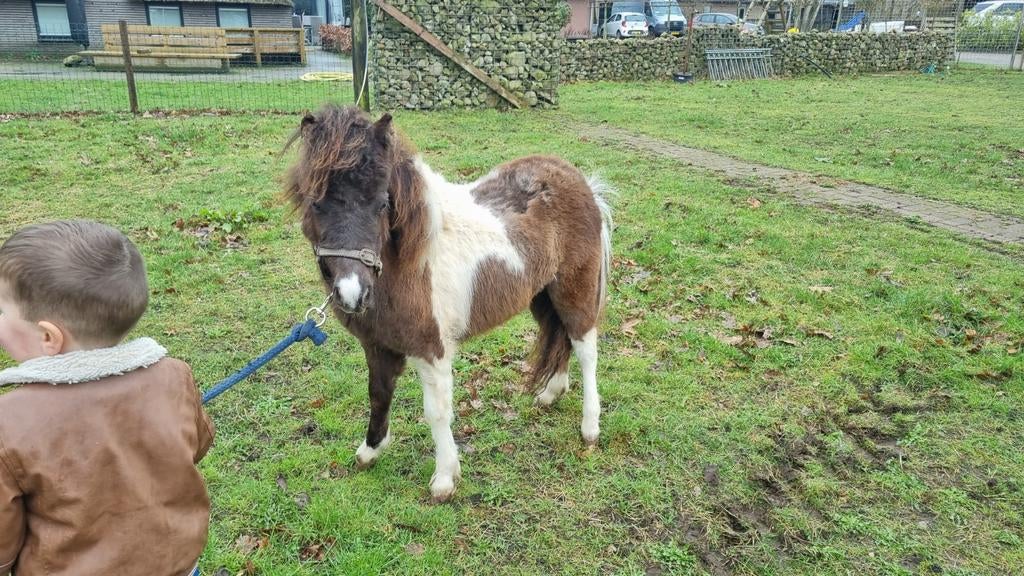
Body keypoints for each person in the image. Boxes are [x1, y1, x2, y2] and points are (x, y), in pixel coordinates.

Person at [0, 220, 214, 576]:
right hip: (175, 566)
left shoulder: (8, 422)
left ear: (48, 337)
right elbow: (199, 445)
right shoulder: (174, 376)